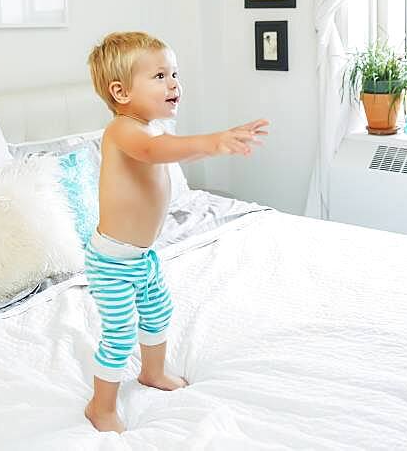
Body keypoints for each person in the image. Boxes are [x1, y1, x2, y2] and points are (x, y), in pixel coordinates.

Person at [83, 31, 269, 432]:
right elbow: (154, 154)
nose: (174, 84)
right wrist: (213, 141)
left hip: (142, 257)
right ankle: (101, 407)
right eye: (160, 76)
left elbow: (175, 148)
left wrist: (219, 145)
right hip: (113, 261)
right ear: (120, 91)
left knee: (157, 312)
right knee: (118, 335)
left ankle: (153, 373)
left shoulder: (152, 129)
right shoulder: (122, 131)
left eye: (174, 74)